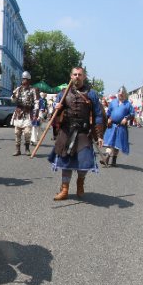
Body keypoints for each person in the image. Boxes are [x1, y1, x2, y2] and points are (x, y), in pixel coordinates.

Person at [48, 67, 104, 200]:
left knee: (84, 162)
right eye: (75, 74)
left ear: (84, 77)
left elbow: (98, 115)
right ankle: (65, 189)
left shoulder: (92, 94)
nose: (77, 77)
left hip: (84, 132)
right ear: (71, 76)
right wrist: (57, 109)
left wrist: (100, 135)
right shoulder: (63, 93)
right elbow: (54, 117)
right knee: (65, 162)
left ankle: (80, 184)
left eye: (80, 74)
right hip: (67, 131)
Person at [100, 86, 134, 167]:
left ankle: (113, 160)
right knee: (110, 143)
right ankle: (107, 157)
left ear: (125, 94)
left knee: (116, 144)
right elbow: (108, 112)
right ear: (118, 94)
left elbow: (132, 114)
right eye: (119, 93)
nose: (121, 95)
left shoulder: (128, 104)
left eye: (122, 93)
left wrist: (126, 118)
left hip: (121, 126)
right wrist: (109, 118)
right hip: (112, 125)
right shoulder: (113, 102)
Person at [11, 71, 38, 156]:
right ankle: (17, 149)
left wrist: (35, 114)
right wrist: (14, 96)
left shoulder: (33, 90)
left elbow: (36, 102)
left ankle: (27, 148)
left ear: (29, 80)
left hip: (27, 113)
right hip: (18, 113)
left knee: (27, 132)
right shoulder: (18, 89)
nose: (24, 81)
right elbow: (13, 100)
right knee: (17, 132)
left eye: (25, 79)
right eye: (23, 79)